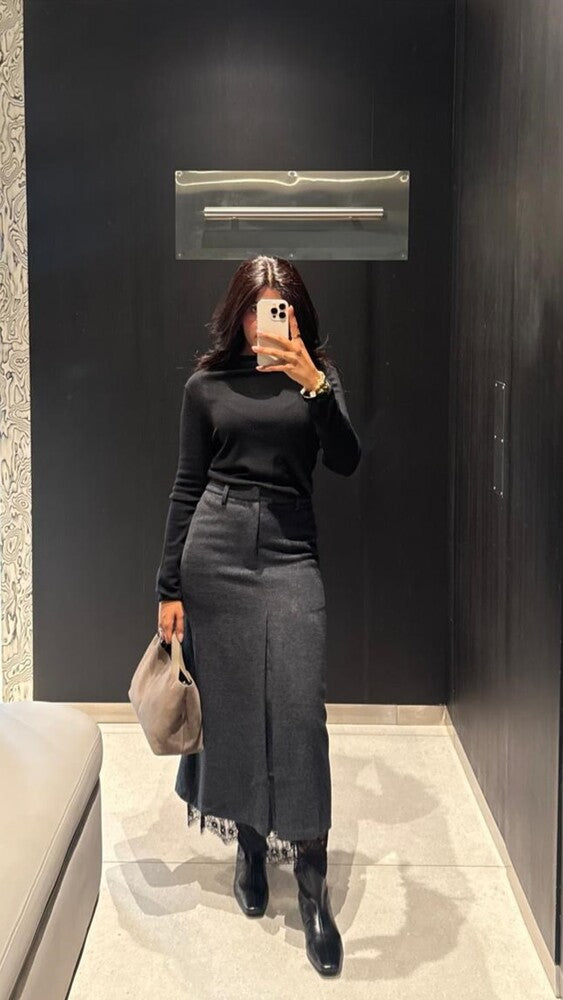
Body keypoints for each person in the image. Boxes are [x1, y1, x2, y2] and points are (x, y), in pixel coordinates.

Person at [155, 255, 361, 977]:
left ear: (295, 313)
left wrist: (313, 383)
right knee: (236, 707)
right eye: (253, 308)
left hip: (289, 551)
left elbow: (346, 459)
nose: (263, 321)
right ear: (236, 312)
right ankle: (248, 844)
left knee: (300, 713)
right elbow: (186, 484)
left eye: (278, 308)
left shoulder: (316, 378)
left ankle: (311, 882)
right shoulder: (205, 386)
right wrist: (168, 585)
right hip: (215, 550)